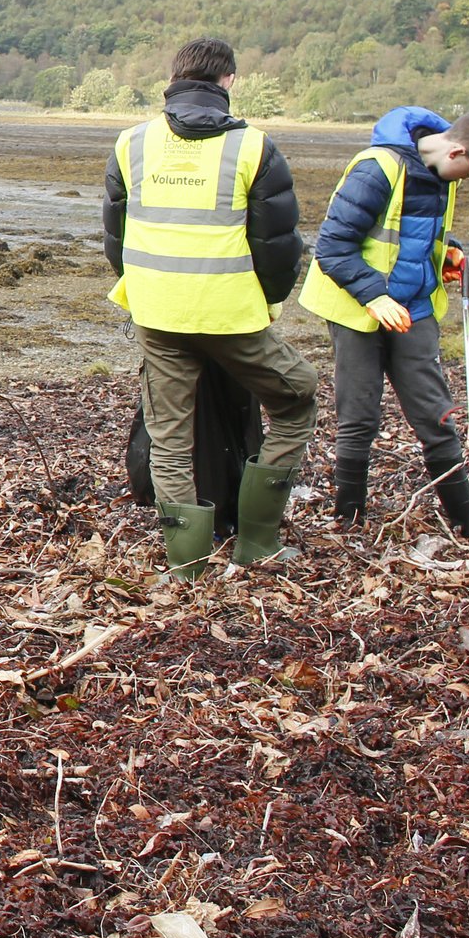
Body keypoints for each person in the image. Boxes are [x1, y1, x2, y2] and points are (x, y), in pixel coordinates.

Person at [103, 38, 314, 575]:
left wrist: (145, 289)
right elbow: (278, 245)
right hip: (231, 317)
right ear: (229, 81)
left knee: (171, 438)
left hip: (156, 313)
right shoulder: (254, 147)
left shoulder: (132, 143)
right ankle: (257, 540)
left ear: (173, 79)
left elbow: (115, 236)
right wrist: (267, 303)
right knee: (296, 399)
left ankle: (188, 564)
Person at [298, 106, 469, 538]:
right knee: (359, 416)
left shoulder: (442, 174)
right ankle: (350, 518)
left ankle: (467, 522)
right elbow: (333, 245)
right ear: (456, 151)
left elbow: (414, 234)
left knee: (436, 415)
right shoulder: (375, 169)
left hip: (414, 311)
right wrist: (374, 297)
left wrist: (445, 254)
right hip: (358, 311)